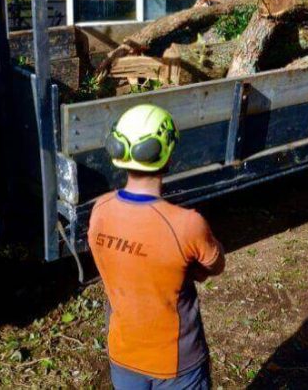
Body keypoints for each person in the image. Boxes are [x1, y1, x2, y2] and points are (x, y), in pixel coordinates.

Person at [87, 104, 225, 389]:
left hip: (123, 354)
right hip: (176, 363)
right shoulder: (187, 224)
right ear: (168, 154)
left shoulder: (100, 209)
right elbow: (215, 264)